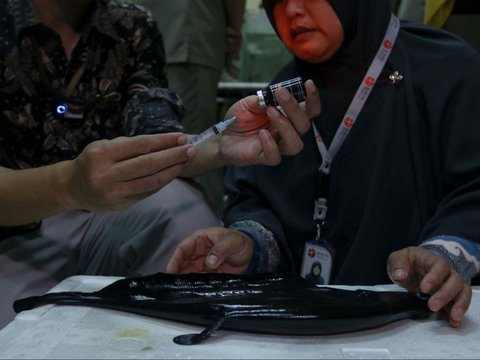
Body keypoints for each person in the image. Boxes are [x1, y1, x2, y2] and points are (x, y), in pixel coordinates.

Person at [0, 0, 319, 329]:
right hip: (11, 231)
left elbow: (157, 138)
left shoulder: (130, 24)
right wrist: (69, 185)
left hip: (99, 222)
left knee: (180, 205)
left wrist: (223, 145)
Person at [166, 0, 480, 329]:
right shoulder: (280, 96)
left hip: (424, 324)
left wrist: (444, 255)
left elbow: (473, 191)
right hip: (304, 328)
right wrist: (251, 243)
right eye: (276, 1)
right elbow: (255, 197)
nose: (292, 12)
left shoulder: (447, 69)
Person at [135, 0, 247, 212]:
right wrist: (234, 29)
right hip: (180, 33)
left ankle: (203, 234)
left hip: (175, 34)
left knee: (192, 151)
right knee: (193, 150)